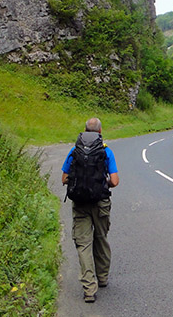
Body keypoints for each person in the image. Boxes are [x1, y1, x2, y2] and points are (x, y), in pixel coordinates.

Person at [62, 117, 119, 303]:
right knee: (101, 238)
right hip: (101, 202)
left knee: (83, 244)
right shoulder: (106, 150)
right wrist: (103, 183)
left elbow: (64, 179)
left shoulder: (74, 151)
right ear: (100, 131)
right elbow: (115, 181)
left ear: (84, 130)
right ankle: (102, 277)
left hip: (80, 203)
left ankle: (89, 289)